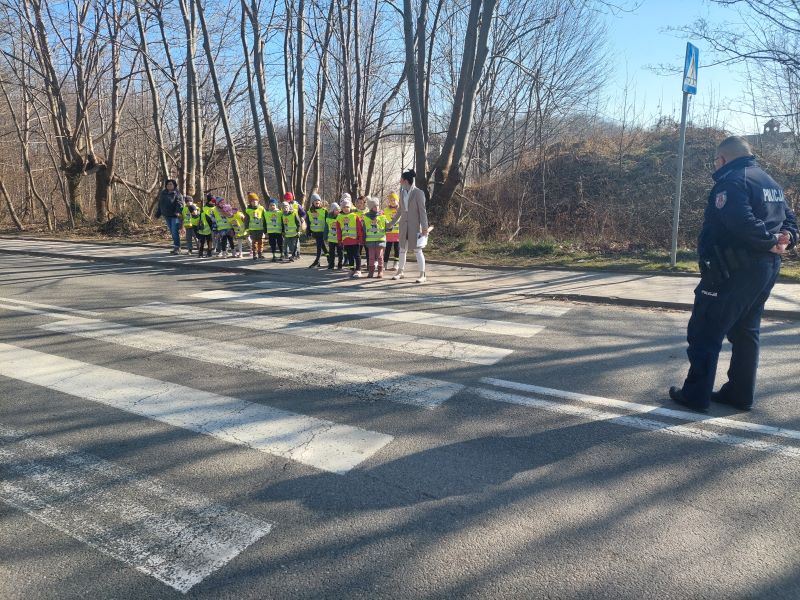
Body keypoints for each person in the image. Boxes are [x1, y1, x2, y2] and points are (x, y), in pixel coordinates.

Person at [669, 136, 797, 413]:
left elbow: (739, 220)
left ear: (723, 159)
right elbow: (789, 217)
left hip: (733, 269)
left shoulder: (731, 181)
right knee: (745, 331)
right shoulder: (768, 182)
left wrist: (770, 240)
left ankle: (695, 395)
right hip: (765, 268)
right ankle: (739, 393)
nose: (715, 165)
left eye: (715, 160)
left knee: (705, 330)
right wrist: (787, 237)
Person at [387, 169, 429, 283]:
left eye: (401, 179)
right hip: (403, 227)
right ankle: (400, 272)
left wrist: (425, 228)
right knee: (402, 249)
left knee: (417, 250)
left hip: (415, 227)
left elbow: (422, 211)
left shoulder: (418, 193)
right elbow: (400, 211)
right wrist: (390, 224)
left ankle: (422, 274)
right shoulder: (402, 192)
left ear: (406, 180)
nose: (400, 181)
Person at [336, 198, 364, 278]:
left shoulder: (355, 216)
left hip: (355, 240)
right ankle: (351, 269)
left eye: (347, 207)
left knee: (357, 255)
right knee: (349, 255)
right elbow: (338, 230)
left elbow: (359, 228)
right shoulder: (339, 217)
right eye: (344, 207)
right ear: (342, 208)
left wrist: (360, 238)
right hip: (346, 240)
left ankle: (358, 270)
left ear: (350, 207)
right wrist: (339, 240)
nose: (346, 208)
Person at [156, 179, 185, 254]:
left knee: (174, 231)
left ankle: (178, 248)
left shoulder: (177, 194)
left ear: (174, 185)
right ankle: (176, 247)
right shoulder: (163, 193)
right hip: (166, 215)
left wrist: (178, 212)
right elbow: (160, 204)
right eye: (168, 184)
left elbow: (180, 204)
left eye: (171, 184)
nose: (169, 185)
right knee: (172, 232)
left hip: (175, 216)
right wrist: (158, 213)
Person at [363, 197, 387, 278]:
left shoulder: (382, 216)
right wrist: (363, 239)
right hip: (370, 241)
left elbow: (387, 226)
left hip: (380, 240)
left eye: (377, 206)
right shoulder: (366, 217)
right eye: (374, 206)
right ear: (371, 208)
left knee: (380, 257)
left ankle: (380, 271)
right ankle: (371, 271)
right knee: (371, 257)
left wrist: (391, 225)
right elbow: (364, 229)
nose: (376, 207)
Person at [307, 193, 327, 268]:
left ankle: (316, 260)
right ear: (312, 202)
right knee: (322, 246)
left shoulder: (324, 211)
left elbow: (327, 222)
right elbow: (308, 222)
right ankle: (329, 258)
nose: (317, 201)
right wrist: (308, 231)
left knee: (319, 246)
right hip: (315, 232)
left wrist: (327, 232)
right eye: (315, 200)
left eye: (318, 200)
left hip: (322, 232)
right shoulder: (310, 211)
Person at [283, 192, 306, 258]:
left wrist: (302, 218)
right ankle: (288, 254)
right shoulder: (284, 205)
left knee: (296, 241)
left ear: (291, 198)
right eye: (286, 199)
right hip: (287, 226)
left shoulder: (297, 205)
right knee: (287, 242)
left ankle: (297, 254)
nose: (287, 200)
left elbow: (304, 214)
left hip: (296, 225)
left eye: (288, 199)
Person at [245, 193, 266, 260]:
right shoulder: (248, 210)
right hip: (252, 229)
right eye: (252, 201)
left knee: (261, 241)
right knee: (254, 242)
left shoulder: (261, 208)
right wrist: (247, 229)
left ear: (258, 201)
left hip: (260, 228)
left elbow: (265, 218)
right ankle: (255, 254)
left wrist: (265, 228)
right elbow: (247, 220)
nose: (254, 202)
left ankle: (260, 253)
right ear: (250, 202)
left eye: (255, 200)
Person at [383, 192, 400, 270]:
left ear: (397, 200)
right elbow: (383, 219)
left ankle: (395, 264)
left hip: (398, 233)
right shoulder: (386, 210)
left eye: (394, 200)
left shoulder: (400, 209)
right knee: (387, 249)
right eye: (391, 200)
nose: (392, 202)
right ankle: (385, 264)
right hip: (389, 233)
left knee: (397, 249)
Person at [324, 202, 343, 270]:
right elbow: (326, 228)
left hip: (339, 239)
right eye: (336, 209)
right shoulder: (328, 218)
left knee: (340, 252)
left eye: (338, 209)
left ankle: (340, 264)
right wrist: (325, 236)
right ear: (332, 210)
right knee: (331, 253)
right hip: (331, 239)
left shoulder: (341, 217)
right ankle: (331, 264)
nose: (337, 211)